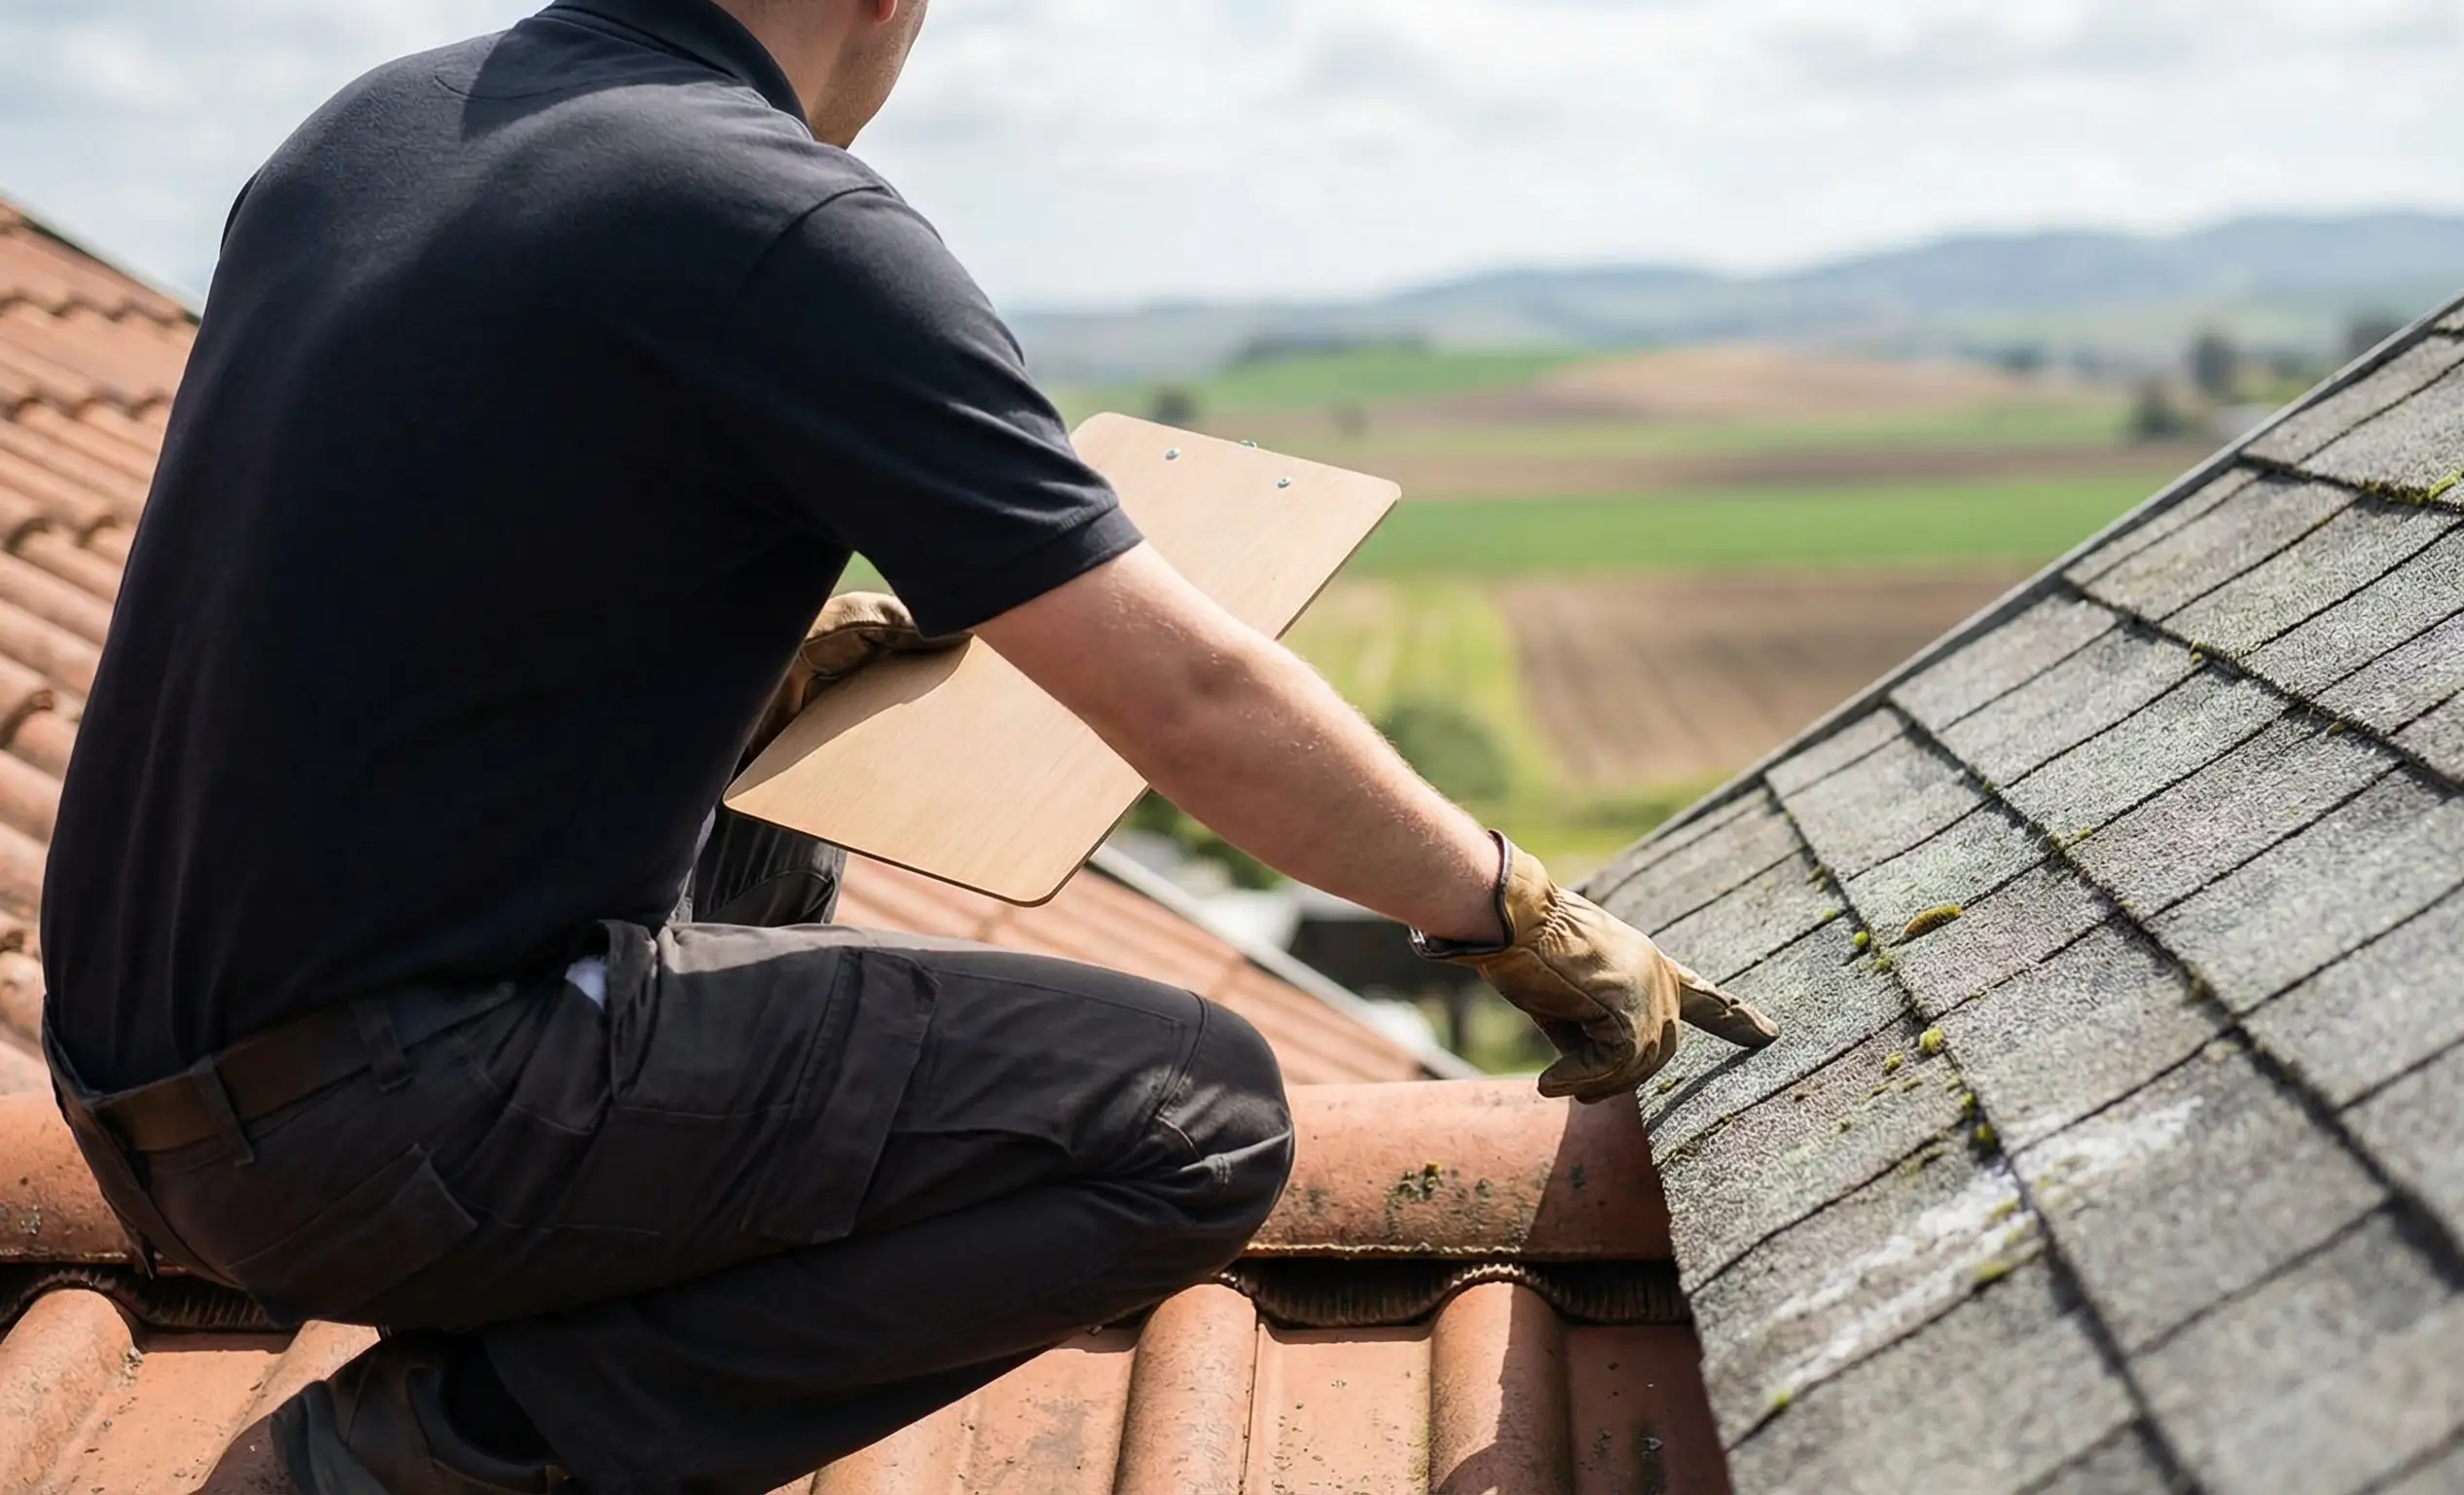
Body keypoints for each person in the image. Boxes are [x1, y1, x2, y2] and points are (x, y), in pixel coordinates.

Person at [36, 1, 1782, 1490]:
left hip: (134, 1078)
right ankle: (436, 1453)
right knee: (1188, 1117)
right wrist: (1507, 910)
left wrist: (750, 660)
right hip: (368, 1130)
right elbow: (1185, 694)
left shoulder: (375, 128)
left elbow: (365, 565)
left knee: (778, 841)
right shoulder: (774, 220)